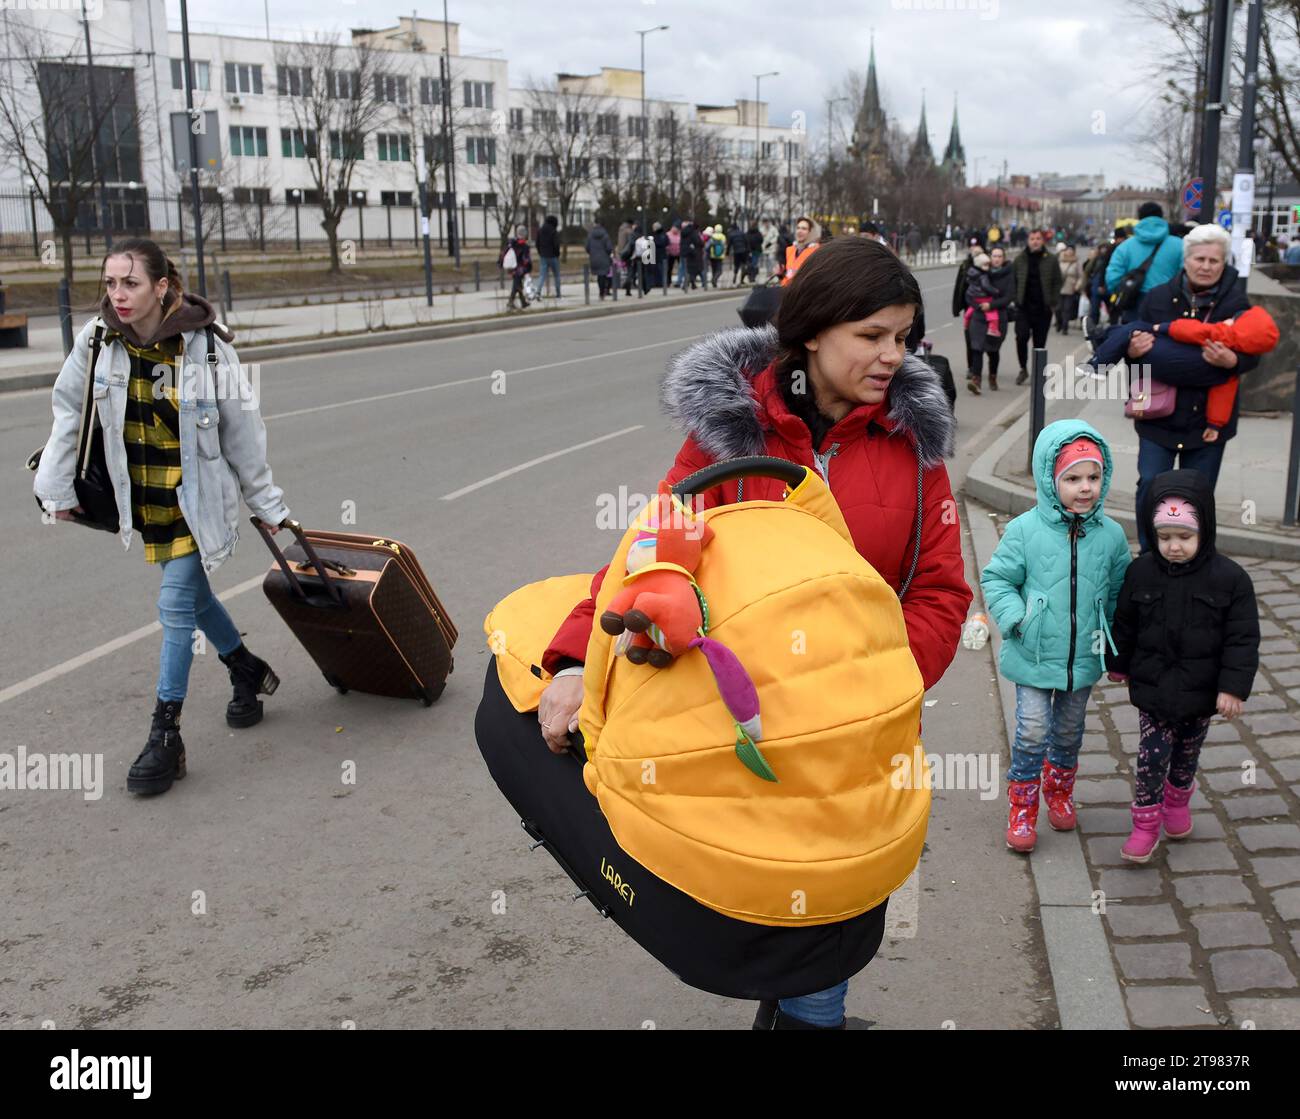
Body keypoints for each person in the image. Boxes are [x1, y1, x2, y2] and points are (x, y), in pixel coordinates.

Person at [536, 236, 971, 1028]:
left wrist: (875, 680)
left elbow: (941, 588)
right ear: (813, 331)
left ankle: (806, 1013)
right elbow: (647, 555)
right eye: (872, 335)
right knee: (774, 902)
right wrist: (572, 658)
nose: (893, 356)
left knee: (835, 910)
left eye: (904, 337)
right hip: (746, 724)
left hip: (854, 735)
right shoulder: (734, 432)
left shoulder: (914, 447)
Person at [33, 237, 290, 798]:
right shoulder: (98, 340)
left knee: (175, 605)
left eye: (130, 283)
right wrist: (52, 486)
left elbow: (242, 429)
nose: (117, 295)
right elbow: (68, 411)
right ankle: (246, 668)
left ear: (162, 287)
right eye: (109, 283)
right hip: (142, 500)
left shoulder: (207, 349)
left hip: (196, 506)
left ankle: (165, 735)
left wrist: (267, 505)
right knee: (194, 601)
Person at [980, 422, 1131, 852]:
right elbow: (997, 580)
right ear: (1051, 480)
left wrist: (1118, 647)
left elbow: (1121, 594)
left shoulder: (1112, 536)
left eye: (1093, 477)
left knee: (1067, 731)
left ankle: (1060, 790)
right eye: (1072, 478)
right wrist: (1017, 619)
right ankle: (1022, 806)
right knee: (1031, 730)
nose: (1085, 488)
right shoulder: (1026, 531)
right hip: (1033, 651)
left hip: (1083, 656)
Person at [1105, 470, 1259, 863]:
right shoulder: (1141, 572)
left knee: (1187, 754)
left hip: (1202, 691)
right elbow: (1125, 622)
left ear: (1204, 531)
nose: (1174, 546)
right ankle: (1144, 824)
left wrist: (1232, 687)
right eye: (1165, 537)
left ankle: (1177, 803)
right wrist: (1119, 662)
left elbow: (1241, 638)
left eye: (1184, 537)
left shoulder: (1230, 580)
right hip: (1154, 689)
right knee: (1152, 756)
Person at [1101, 223, 1258, 554]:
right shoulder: (1158, 298)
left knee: (1198, 494)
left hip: (1208, 423)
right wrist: (1132, 351)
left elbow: (1253, 352)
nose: (1205, 266)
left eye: (1214, 261)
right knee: (1149, 486)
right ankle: (1149, 552)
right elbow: (1136, 352)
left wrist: (1234, 361)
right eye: (1199, 258)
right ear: (1186, 260)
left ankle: (1195, 560)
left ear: (1223, 263)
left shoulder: (1236, 303)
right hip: (1159, 415)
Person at [1104, 202, 1184, 323]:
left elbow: (1112, 277)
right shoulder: (1180, 245)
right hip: (1169, 304)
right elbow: (1187, 275)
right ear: (1161, 217)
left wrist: (1120, 292)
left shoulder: (1125, 247)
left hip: (1133, 303)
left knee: (1132, 337)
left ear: (1140, 218)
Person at [1012, 229, 1062, 384]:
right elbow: (1013, 280)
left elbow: (1057, 281)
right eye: (1032, 238)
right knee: (1021, 338)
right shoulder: (1020, 259)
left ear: (1043, 241)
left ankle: (1038, 372)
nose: (1035, 241)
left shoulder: (1051, 259)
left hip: (1043, 309)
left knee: (1039, 343)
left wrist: (1053, 302)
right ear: (1028, 240)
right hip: (1023, 308)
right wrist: (1015, 299)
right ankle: (1023, 369)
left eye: (1038, 239)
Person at [951, 236, 984, 379]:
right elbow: (959, 286)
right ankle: (972, 367)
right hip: (969, 307)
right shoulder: (965, 264)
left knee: (986, 341)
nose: (974, 248)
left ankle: (983, 368)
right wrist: (956, 307)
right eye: (972, 246)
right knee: (970, 339)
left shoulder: (986, 263)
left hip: (986, 307)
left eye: (977, 246)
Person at [780, 216, 820, 287]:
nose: (799, 231)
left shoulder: (816, 251)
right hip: (786, 291)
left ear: (810, 232)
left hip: (802, 293)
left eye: (804, 229)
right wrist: (780, 274)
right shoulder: (790, 250)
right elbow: (789, 274)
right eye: (798, 228)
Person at [501, 225, 533, 310]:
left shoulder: (512, 243)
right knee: (516, 284)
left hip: (511, 267)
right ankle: (510, 302)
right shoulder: (523, 245)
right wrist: (528, 267)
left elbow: (504, 253)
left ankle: (523, 302)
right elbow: (526, 259)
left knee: (518, 284)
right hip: (520, 268)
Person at [1055, 245, 1083, 334]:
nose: (1069, 252)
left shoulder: (1076, 263)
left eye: (1071, 250)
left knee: (1067, 309)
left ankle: (1065, 327)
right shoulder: (1059, 260)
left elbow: (1080, 276)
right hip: (1059, 288)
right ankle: (1059, 322)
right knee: (1058, 308)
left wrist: (1077, 286)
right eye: (1068, 250)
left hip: (1070, 288)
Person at [585, 220, 614, 299]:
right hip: (604, 258)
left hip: (594, 259)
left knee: (599, 276)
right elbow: (609, 248)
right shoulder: (605, 235)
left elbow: (587, 247)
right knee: (603, 275)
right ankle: (603, 291)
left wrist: (592, 253)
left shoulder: (590, 235)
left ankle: (601, 291)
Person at [536, 214, 562, 298]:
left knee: (542, 275)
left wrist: (540, 252)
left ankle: (538, 291)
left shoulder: (540, 231)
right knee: (556, 275)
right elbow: (556, 244)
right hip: (553, 256)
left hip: (543, 256)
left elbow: (537, 243)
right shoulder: (554, 231)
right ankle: (558, 293)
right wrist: (557, 254)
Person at [707, 223, 727, 287]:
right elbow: (724, 246)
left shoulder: (712, 236)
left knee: (713, 269)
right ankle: (715, 279)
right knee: (719, 270)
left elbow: (708, 245)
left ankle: (714, 280)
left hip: (712, 255)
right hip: (720, 256)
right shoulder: (723, 236)